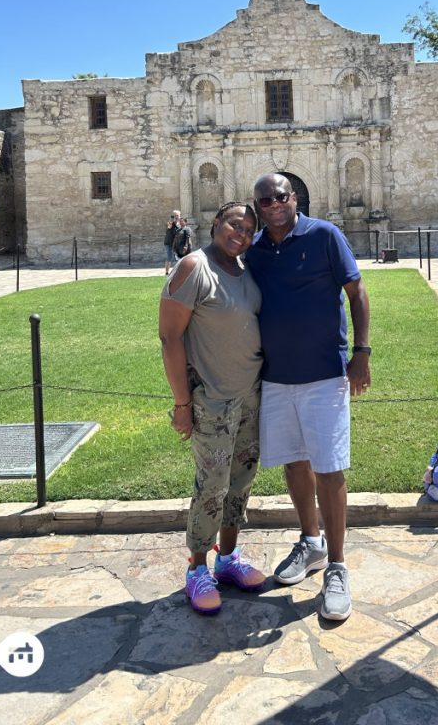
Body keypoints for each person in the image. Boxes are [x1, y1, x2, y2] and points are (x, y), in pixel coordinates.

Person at [244, 173, 371, 622]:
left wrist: (361, 353)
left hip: (323, 373)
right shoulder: (255, 250)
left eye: (281, 196)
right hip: (276, 377)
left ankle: (337, 566)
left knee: (329, 467)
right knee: (294, 462)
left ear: (294, 197)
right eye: (266, 198)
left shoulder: (325, 235)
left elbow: (356, 291)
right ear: (257, 204)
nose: (274, 203)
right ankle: (311, 541)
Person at [159, 201, 266, 616]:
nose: (240, 235)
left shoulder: (245, 269)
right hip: (212, 400)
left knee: (240, 482)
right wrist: (183, 403)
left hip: (250, 395)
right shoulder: (193, 267)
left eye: (248, 231)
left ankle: (228, 559)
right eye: (234, 226)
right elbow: (170, 339)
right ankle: (197, 568)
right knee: (211, 487)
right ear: (217, 223)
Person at [163, 209, 181, 275]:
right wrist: (171, 220)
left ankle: (178, 271)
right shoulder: (170, 223)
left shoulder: (180, 224)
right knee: (169, 257)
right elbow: (169, 226)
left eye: (177, 215)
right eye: (174, 216)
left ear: (179, 216)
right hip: (169, 243)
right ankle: (167, 272)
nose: (176, 217)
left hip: (176, 243)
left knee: (178, 257)